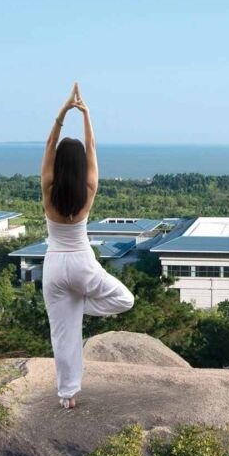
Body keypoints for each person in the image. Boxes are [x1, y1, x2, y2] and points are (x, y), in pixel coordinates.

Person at [41, 82, 135, 409]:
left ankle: (67, 396)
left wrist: (63, 111)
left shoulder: (48, 188)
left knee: (63, 335)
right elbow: (91, 145)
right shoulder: (89, 189)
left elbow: (50, 143)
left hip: (54, 265)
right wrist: (87, 114)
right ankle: (81, 307)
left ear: (57, 165)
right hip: (82, 263)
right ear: (81, 167)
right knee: (125, 299)